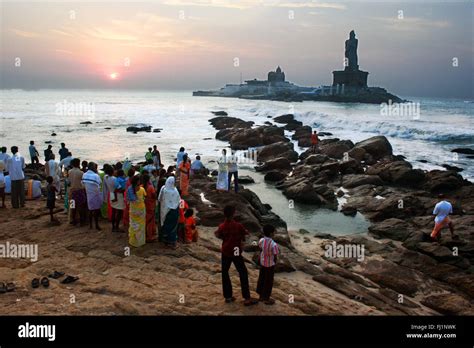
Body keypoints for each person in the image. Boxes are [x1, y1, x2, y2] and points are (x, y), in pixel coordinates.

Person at [214, 205, 258, 306]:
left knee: (225, 273)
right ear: (233, 214)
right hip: (236, 251)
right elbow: (245, 234)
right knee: (243, 272)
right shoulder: (238, 225)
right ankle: (246, 298)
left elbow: (217, 234)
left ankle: (228, 297)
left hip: (225, 251)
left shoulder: (222, 226)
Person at [256, 224, 279, 305]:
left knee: (261, 278)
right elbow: (275, 255)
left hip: (262, 263)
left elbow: (260, 248)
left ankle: (260, 295)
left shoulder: (261, 240)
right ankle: (266, 298)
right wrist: (275, 262)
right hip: (270, 265)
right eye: (273, 232)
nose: (274, 233)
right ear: (270, 233)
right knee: (269, 281)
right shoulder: (274, 244)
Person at [158, 176, 181, 248]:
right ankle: (172, 242)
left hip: (164, 211)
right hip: (173, 211)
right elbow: (179, 201)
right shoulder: (175, 190)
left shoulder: (163, 189)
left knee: (165, 225)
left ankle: (164, 240)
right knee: (172, 227)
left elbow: (159, 199)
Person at [82, 162, 103, 231]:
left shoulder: (84, 174)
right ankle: (97, 225)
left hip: (88, 194)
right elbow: (100, 183)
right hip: (95, 194)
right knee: (96, 210)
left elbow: (83, 184)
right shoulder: (95, 176)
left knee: (90, 210)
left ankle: (91, 225)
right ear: (93, 167)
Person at [127, 175, 146, 247]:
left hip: (133, 209)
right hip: (140, 209)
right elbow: (145, 196)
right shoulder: (141, 189)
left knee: (133, 224)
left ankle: (133, 241)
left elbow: (128, 199)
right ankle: (139, 242)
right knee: (140, 226)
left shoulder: (129, 189)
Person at [68, 158, 87, 226]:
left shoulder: (70, 171)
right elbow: (83, 182)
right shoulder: (81, 173)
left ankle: (73, 220)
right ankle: (81, 221)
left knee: (72, 206)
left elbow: (69, 181)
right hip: (79, 190)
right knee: (80, 206)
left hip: (72, 190)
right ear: (79, 164)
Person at [141, 173, 157, 242]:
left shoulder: (141, 187)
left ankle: (145, 234)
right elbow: (154, 196)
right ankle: (149, 236)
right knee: (150, 221)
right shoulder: (150, 187)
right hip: (150, 205)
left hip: (144, 205)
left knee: (145, 219)